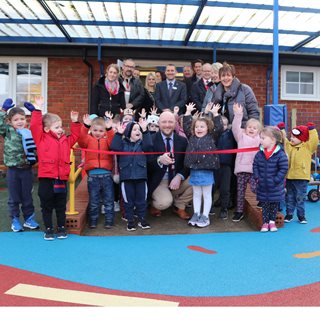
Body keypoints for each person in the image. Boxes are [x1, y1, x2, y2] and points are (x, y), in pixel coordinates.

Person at [29, 96, 81, 240]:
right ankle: (49, 229)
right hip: (47, 178)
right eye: (57, 127)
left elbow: (76, 136)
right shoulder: (41, 138)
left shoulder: (65, 140)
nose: (60, 129)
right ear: (46, 129)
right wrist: (37, 109)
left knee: (60, 205)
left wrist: (75, 122)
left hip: (61, 178)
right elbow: (34, 126)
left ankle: (61, 227)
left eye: (61, 126)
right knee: (46, 205)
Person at [0, 99, 39, 232]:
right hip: (13, 171)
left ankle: (29, 219)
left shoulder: (28, 132)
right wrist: (3, 111)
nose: (20, 121)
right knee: (14, 197)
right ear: (10, 122)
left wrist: (35, 111)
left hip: (27, 169)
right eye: (16, 120)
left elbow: (38, 125)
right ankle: (15, 219)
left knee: (27, 196)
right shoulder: (8, 131)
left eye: (22, 118)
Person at [183, 102, 223, 227]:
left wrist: (216, 114)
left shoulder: (212, 136)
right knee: (196, 193)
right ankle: (196, 213)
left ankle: (205, 216)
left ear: (208, 128)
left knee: (206, 194)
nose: (199, 129)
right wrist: (188, 113)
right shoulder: (191, 137)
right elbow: (186, 126)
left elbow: (219, 128)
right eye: (197, 127)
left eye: (202, 126)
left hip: (207, 169)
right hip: (194, 169)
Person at [147, 111, 193, 219]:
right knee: (164, 202)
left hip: (176, 180)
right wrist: (159, 160)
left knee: (199, 180)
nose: (167, 125)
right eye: (164, 122)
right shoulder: (150, 140)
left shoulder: (182, 141)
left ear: (175, 123)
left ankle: (179, 205)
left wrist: (179, 176)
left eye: (170, 122)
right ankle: (154, 204)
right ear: (159, 123)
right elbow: (145, 164)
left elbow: (187, 164)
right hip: (159, 181)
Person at [111, 119, 153, 231]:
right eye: (134, 129)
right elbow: (114, 146)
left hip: (141, 177)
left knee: (141, 200)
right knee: (128, 201)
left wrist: (145, 131)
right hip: (126, 177)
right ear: (128, 132)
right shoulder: (122, 144)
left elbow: (149, 145)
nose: (137, 131)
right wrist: (119, 133)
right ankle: (130, 221)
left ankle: (142, 219)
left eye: (139, 129)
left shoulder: (142, 144)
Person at [78, 113, 115, 229]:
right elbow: (81, 139)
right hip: (93, 176)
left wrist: (109, 129)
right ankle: (93, 220)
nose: (98, 133)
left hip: (106, 175)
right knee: (94, 201)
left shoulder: (107, 141)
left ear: (104, 131)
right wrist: (85, 125)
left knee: (108, 200)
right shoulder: (88, 140)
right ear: (91, 130)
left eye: (101, 131)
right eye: (95, 130)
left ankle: (109, 220)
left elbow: (113, 143)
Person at [278, 121, 318, 224]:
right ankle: (289, 214)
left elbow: (314, 141)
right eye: (291, 136)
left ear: (302, 138)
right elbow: (284, 140)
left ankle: (301, 216)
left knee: (300, 198)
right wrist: (282, 129)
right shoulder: (290, 147)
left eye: (294, 137)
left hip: (302, 178)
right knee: (289, 197)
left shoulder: (307, 147)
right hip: (290, 177)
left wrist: (312, 130)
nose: (291, 139)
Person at [253, 126, 288, 232]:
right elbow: (255, 165)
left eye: (263, 138)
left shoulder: (280, 154)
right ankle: (265, 222)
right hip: (263, 185)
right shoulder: (259, 154)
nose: (261, 140)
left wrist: (276, 180)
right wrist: (257, 177)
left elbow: (283, 168)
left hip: (275, 186)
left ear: (273, 140)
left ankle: (272, 222)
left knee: (274, 204)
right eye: (260, 138)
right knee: (264, 204)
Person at [232, 103, 261, 222]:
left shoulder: (260, 140)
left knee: (255, 188)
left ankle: (263, 199)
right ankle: (239, 211)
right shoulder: (241, 136)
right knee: (240, 192)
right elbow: (235, 127)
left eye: (254, 128)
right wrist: (238, 114)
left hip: (254, 170)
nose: (251, 129)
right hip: (241, 170)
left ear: (258, 131)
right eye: (249, 127)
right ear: (245, 128)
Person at [212, 62, 260, 127]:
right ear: (220, 78)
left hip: (241, 129)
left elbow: (253, 111)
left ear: (233, 77)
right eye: (223, 76)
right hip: (221, 130)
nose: (226, 78)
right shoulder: (216, 92)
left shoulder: (245, 89)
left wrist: (252, 128)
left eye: (228, 75)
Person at [213, 115, 237, 220]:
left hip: (226, 165)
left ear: (228, 125)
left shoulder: (230, 134)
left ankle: (224, 208)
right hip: (214, 166)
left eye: (224, 124)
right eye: (220, 124)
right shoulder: (213, 135)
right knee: (212, 188)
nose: (222, 126)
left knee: (225, 189)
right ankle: (209, 207)